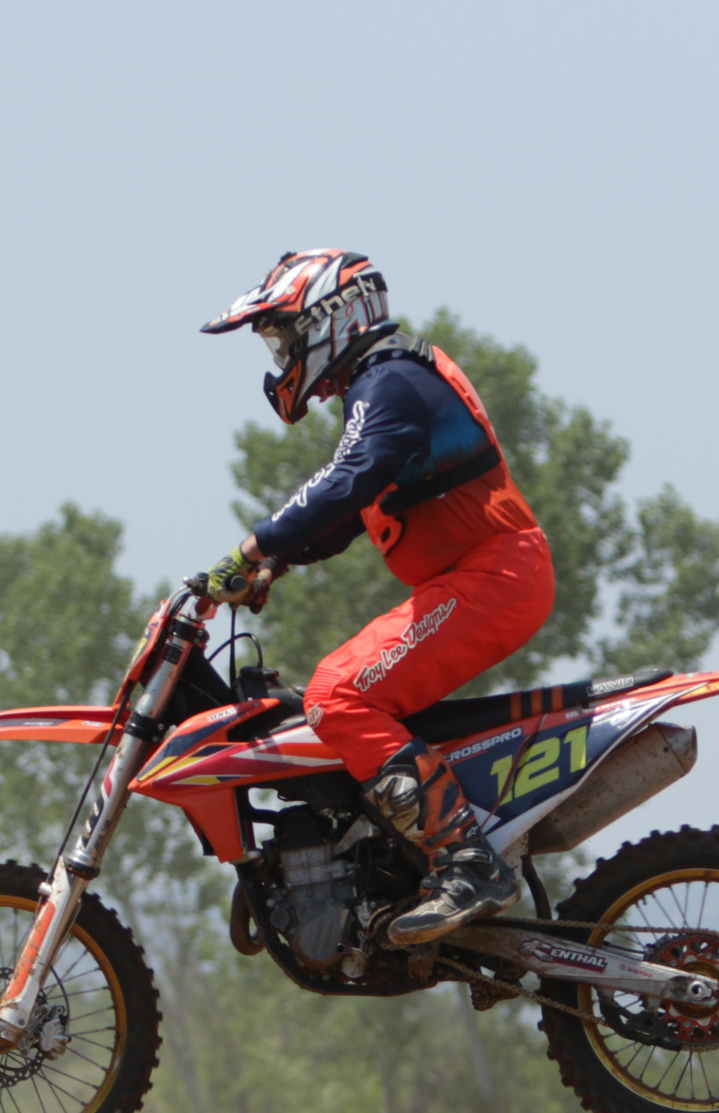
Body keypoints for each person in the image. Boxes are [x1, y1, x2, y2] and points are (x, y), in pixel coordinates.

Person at [191, 250, 555, 944]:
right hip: (484, 577)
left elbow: (349, 477)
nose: (281, 359)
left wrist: (253, 547)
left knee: (337, 694)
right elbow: (355, 508)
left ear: (329, 319)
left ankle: (467, 862)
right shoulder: (385, 382)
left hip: (493, 575)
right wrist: (279, 561)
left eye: (282, 338)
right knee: (334, 699)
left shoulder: (389, 380)